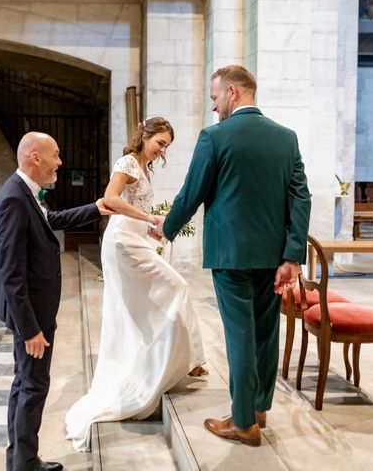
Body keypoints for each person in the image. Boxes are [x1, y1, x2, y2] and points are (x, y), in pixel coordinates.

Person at [153, 65, 311, 447]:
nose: (213, 106)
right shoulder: (285, 138)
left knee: (240, 336)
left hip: (231, 255)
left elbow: (192, 193)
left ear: (234, 93)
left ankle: (243, 423)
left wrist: (167, 227)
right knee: (265, 334)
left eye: (215, 97)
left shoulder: (215, 137)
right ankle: (257, 408)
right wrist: (292, 255)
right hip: (273, 256)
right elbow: (300, 197)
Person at [64, 117, 207, 451]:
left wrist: (154, 226)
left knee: (153, 299)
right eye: (160, 143)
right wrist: (148, 219)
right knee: (176, 287)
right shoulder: (127, 161)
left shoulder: (145, 166)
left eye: (167, 146)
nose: (162, 150)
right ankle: (187, 359)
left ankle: (173, 358)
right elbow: (109, 200)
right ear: (144, 136)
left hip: (137, 240)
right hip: (122, 243)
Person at [0, 132, 111, 471]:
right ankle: (25, 464)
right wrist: (30, 330)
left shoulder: (24, 192)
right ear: (36, 157)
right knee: (34, 386)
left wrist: (95, 208)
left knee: (24, 383)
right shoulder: (14, 198)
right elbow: (11, 271)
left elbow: (50, 221)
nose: (60, 162)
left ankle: (21, 459)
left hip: (35, 310)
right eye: (55, 155)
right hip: (32, 315)